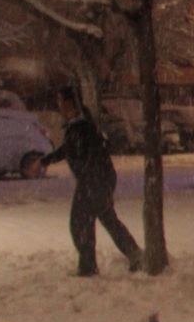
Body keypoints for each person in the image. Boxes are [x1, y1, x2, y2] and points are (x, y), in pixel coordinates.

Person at [40, 85, 143, 277]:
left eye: (61, 101)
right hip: (98, 179)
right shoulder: (78, 123)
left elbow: (87, 153)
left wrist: (88, 181)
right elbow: (69, 149)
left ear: (70, 103)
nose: (59, 105)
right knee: (107, 219)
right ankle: (135, 256)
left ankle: (88, 266)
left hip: (94, 180)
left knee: (80, 222)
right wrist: (45, 161)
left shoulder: (82, 125)